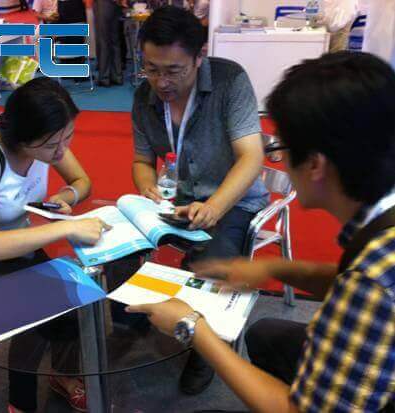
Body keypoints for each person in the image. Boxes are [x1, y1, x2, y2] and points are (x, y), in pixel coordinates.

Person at [127, 51, 395, 412]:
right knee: (265, 335)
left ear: (315, 164)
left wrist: (192, 326)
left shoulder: (371, 279)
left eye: (280, 149)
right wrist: (272, 267)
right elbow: (353, 285)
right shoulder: (378, 238)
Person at [129, 6, 268, 395]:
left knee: (211, 265)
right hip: (178, 202)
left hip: (233, 202)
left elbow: (251, 156)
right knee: (116, 246)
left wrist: (215, 207)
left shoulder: (229, 81)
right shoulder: (143, 98)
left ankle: (204, 352)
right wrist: (147, 187)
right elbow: (142, 161)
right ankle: (132, 319)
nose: (161, 82)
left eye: (173, 70)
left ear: (199, 57)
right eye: (151, 69)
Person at [0, 78, 110, 413]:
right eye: (52, 146)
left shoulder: (46, 137)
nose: (61, 152)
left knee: (80, 289)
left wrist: (65, 197)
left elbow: (82, 181)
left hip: (20, 245)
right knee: (42, 305)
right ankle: (20, 401)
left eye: (69, 137)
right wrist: (65, 228)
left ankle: (62, 376)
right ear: (22, 138)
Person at [94, 0, 123, 86]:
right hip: (115, 4)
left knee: (103, 40)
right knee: (114, 41)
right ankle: (117, 76)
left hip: (103, 4)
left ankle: (104, 77)